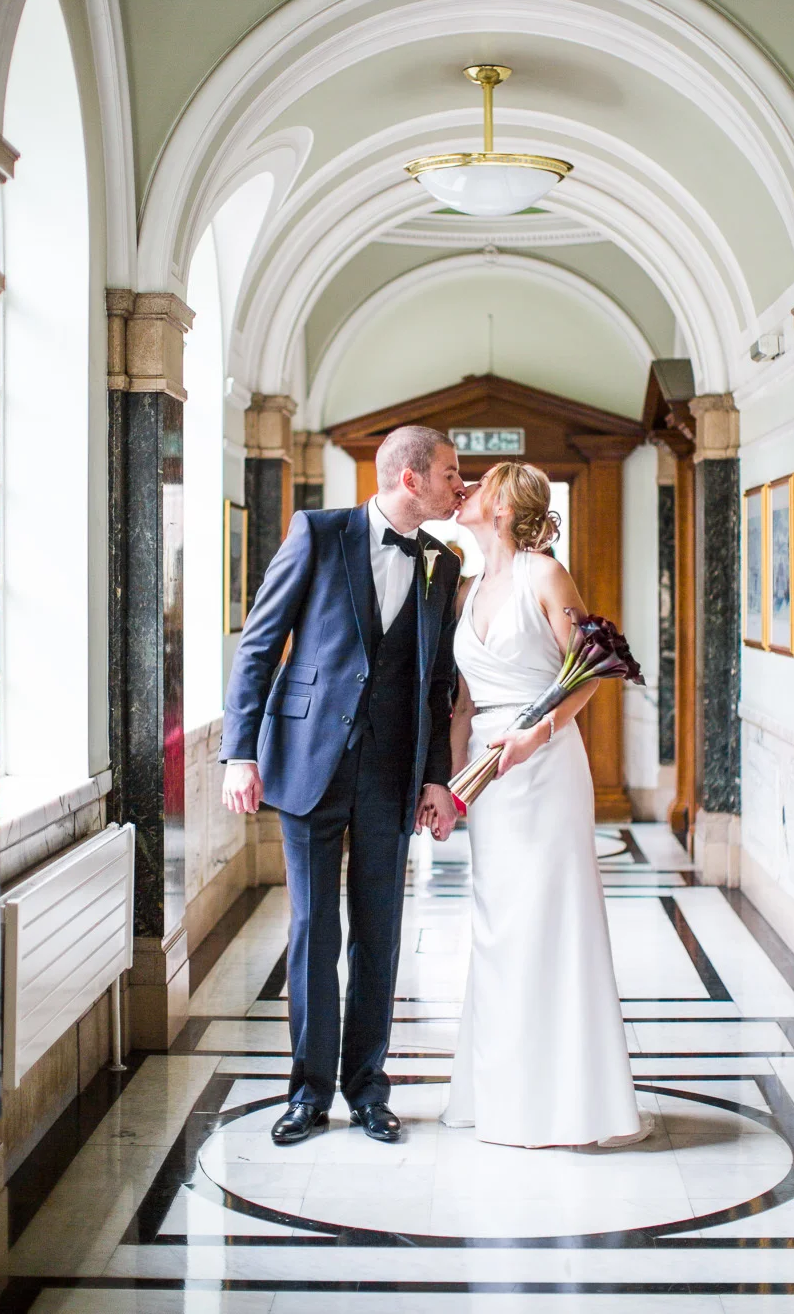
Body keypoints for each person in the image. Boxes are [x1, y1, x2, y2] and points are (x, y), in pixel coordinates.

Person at [220, 426, 463, 1146]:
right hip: (308, 763)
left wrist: (436, 777)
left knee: (379, 936)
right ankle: (306, 1093)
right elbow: (259, 646)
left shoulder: (443, 563)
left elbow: (438, 682)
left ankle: (367, 1090)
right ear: (411, 479)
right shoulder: (318, 534)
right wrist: (239, 753)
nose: (461, 485)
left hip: (391, 772)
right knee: (312, 931)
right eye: (451, 473)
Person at [429, 462, 653, 1149]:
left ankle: (569, 1105)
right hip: (489, 771)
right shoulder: (466, 588)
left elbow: (587, 674)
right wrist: (450, 785)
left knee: (551, 919)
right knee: (498, 924)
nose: (464, 489)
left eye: (478, 484)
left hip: (546, 766)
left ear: (503, 506)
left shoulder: (546, 576)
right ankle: (501, 1095)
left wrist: (539, 733)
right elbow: (462, 703)